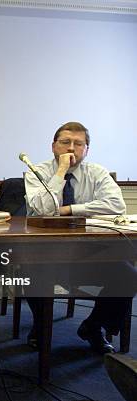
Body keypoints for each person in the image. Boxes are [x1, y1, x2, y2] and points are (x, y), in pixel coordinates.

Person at [24, 121, 137, 354]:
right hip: (44, 254)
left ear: (86, 150)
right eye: (65, 142)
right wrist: (60, 173)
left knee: (129, 276)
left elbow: (117, 206)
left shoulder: (97, 172)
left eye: (78, 144)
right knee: (31, 272)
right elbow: (44, 209)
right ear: (53, 146)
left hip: (89, 252)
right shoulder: (36, 172)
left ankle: (94, 326)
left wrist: (70, 209)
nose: (71, 148)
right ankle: (40, 325)